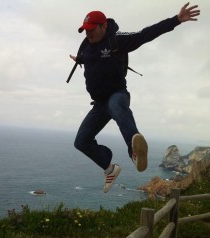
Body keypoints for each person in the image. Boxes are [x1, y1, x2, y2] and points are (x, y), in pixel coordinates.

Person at [70, 3, 200, 193]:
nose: (87, 34)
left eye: (91, 30)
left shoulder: (116, 40)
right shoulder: (86, 46)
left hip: (116, 94)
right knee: (81, 141)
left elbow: (145, 34)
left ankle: (135, 152)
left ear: (103, 26)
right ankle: (110, 168)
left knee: (117, 107)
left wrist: (176, 20)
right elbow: (89, 57)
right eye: (85, 30)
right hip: (98, 105)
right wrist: (79, 59)